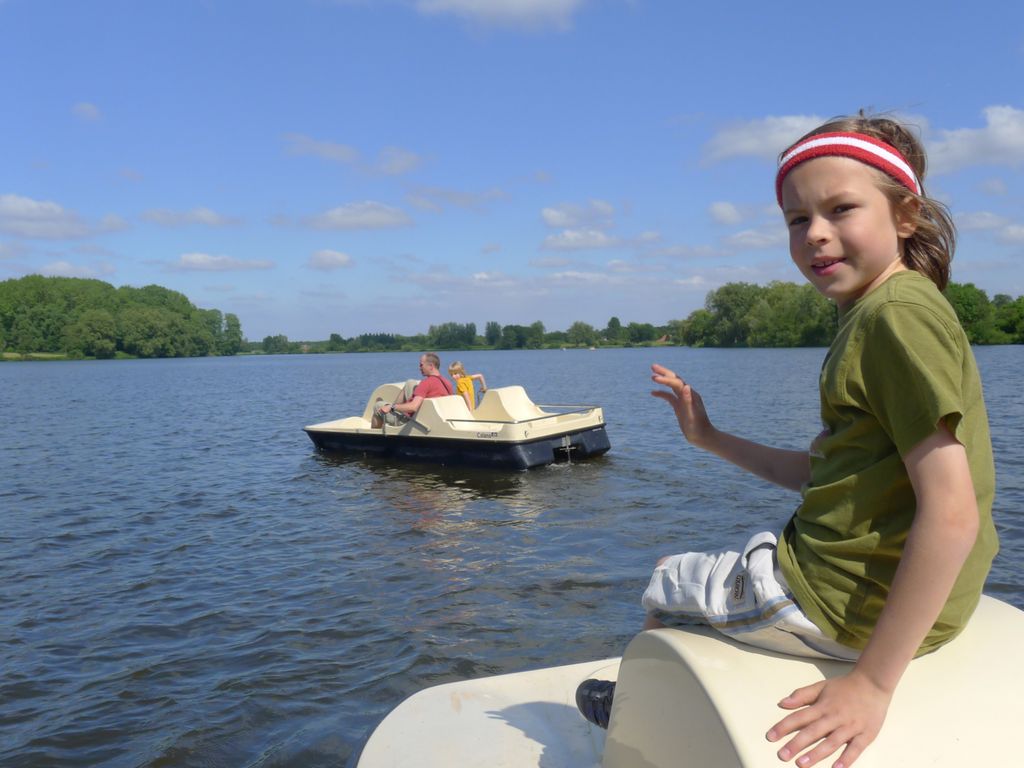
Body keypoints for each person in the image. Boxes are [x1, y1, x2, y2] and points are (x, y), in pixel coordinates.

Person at [575, 114, 998, 768]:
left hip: (835, 601)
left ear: (905, 215)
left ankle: (631, 712)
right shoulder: (895, 310)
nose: (816, 234)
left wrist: (873, 684)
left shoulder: (893, 319)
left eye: (841, 209)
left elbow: (952, 511)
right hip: (917, 599)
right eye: (797, 219)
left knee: (664, 582)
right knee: (744, 554)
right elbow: (828, 477)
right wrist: (709, 437)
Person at [374, 352, 455, 426]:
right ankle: (391, 407)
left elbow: (413, 407)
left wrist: (392, 407)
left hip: (416, 421)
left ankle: (375, 438)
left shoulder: (426, 383)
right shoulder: (447, 383)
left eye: (421, 365)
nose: (419, 368)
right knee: (410, 383)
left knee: (377, 406)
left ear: (431, 366)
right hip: (435, 418)